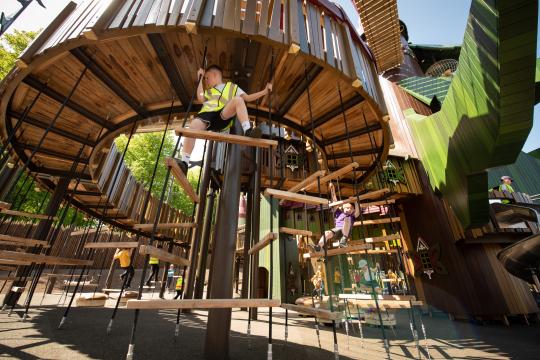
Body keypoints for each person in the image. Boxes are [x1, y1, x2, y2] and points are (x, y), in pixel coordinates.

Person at [176, 65, 273, 175]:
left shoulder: (232, 87)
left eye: (207, 78)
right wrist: (200, 79)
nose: (206, 81)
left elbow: (248, 98)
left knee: (238, 99)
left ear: (215, 75)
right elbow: (200, 97)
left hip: (222, 115)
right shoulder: (209, 91)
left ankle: (248, 130)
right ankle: (184, 163)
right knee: (193, 126)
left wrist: (265, 92)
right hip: (206, 116)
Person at [309, 182, 360, 251]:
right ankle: (319, 246)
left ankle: (343, 241)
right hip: (337, 231)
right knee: (326, 232)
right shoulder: (339, 213)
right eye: (347, 208)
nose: (348, 210)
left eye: (351, 208)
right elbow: (335, 201)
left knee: (347, 219)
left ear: (353, 210)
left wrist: (355, 201)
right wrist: (332, 189)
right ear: (342, 208)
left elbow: (357, 212)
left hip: (345, 232)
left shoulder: (352, 216)